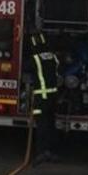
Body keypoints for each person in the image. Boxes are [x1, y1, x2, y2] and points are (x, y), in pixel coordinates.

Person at [27, 30, 61, 166]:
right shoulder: (53, 57)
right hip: (53, 97)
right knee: (51, 124)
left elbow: (27, 69)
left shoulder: (35, 59)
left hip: (41, 97)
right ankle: (51, 151)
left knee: (41, 126)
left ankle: (41, 153)